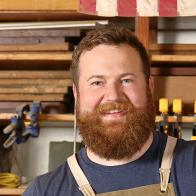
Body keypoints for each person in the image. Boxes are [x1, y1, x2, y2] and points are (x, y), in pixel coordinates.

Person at [23, 26, 196, 196]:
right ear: (77, 94)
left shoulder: (192, 165)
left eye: (126, 80)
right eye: (97, 82)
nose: (113, 96)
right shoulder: (44, 191)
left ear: (149, 87)